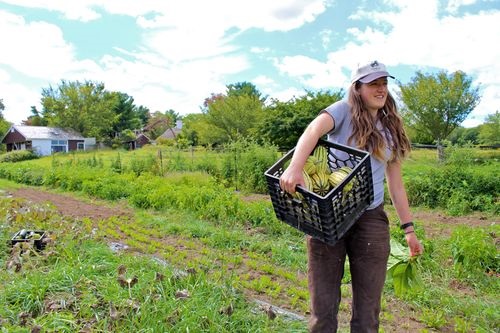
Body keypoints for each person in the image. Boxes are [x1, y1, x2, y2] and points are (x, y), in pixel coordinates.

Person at [279, 60, 423, 333]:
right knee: (323, 310)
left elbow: (396, 182)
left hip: (371, 217)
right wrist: (295, 168)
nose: (381, 89)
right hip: (330, 215)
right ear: (357, 88)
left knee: (368, 314)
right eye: (373, 84)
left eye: (384, 83)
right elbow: (313, 130)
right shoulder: (342, 110)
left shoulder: (390, 126)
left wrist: (409, 229)